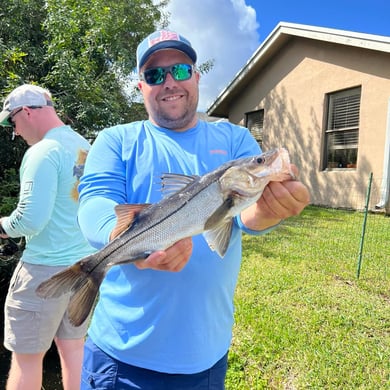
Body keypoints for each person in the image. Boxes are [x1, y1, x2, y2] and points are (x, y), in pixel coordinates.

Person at [77, 30, 310, 390]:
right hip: (121, 359)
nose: (169, 82)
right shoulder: (116, 139)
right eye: (155, 75)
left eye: (180, 70)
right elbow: (94, 202)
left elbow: (241, 220)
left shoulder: (234, 140)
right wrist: (128, 242)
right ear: (141, 87)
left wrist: (271, 211)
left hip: (206, 358)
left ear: (197, 76)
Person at [0, 84, 95, 390]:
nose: (14, 132)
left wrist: (3, 226)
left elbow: (30, 219)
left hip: (43, 272)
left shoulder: (42, 151)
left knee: (26, 360)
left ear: (26, 112)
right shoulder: (85, 147)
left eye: (12, 123)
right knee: (74, 348)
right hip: (83, 270)